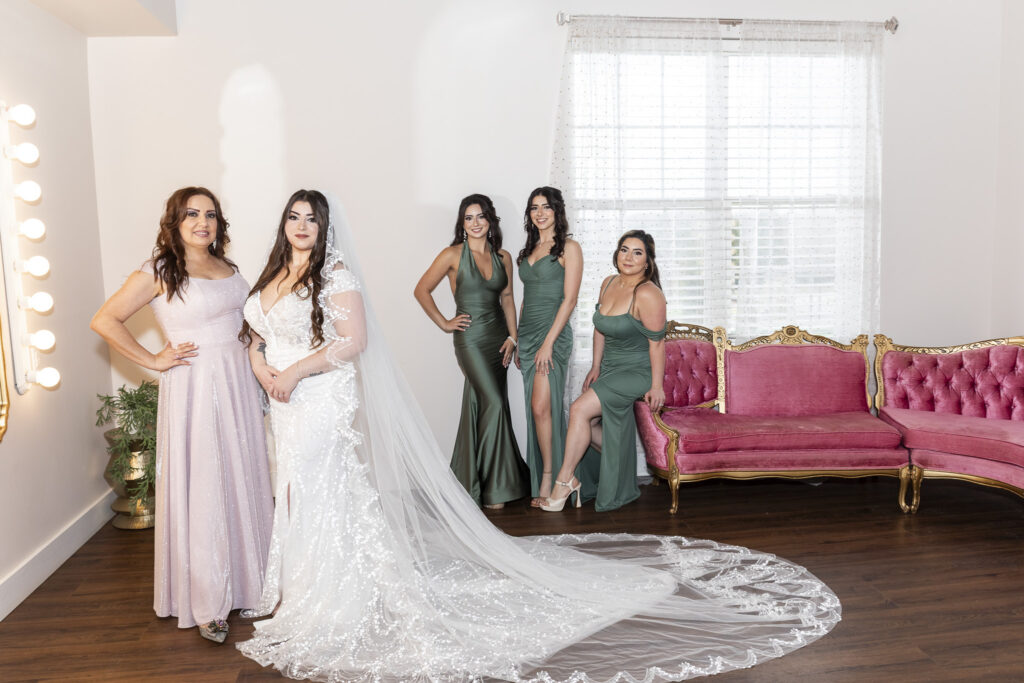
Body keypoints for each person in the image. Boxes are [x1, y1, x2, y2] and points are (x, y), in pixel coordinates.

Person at [236, 192, 841, 681]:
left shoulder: (491, 259)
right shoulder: (275, 273)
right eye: (294, 216)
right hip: (296, 395)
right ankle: (309, 577)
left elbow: (507, 301)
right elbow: (257, 328)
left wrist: (531, 339)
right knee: (297, 486)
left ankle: (527, 486)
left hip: (342, 385)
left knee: (491, 417)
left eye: (312, 218)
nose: (302, 225)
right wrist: (265, 363)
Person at [90, 186, 273, 643]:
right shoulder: (159, 270)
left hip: (239, 384)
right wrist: (152, 360)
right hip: (196, 388)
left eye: (210, 214)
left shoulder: (229, 268)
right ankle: (209, 601)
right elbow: (105, 320)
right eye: (191, 214)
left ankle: (249, 586)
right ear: (174, 220)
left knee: (242, 478)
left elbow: (247, 326)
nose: (202, 222)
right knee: (207, 485)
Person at [414, 194, 529, 508]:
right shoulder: (452, 255)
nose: (475, 223)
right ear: (462, 224)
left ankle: (471, 481)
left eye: (481, 216)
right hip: (470, 340)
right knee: (493, 401)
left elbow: (507, 299)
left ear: (490, 221)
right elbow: (421, 289)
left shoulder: (503, 257)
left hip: (498, 339)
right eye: (469, 217)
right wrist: (445, 322)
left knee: (485, 402)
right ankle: (495, 489)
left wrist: (513, 338)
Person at [541, 230, 666, 512]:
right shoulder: (608, 283)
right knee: (587, 421)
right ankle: (619, 471)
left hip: (637, 372)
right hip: (610, 368)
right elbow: (600, 327)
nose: (629, 257)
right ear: (616, 254)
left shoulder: (648, 293)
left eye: (637, 252)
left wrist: (656, 385)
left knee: (578, 410)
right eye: (624, 250)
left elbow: (657, 346)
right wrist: (596, 366)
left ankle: (564, 481)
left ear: (648, 262)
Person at [516, 187, 581, 507]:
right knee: (536, 410)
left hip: (552, 337)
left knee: (543, 408)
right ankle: (559, 474)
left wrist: (547, 344)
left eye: (546, 207)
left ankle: (551, 476)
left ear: (557, 211)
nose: (539, 213)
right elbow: (526, 298)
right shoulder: (530, 248)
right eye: (534, 208)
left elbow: (570, 300)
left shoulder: (570, 247)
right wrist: (518, 340)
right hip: (527, 338)